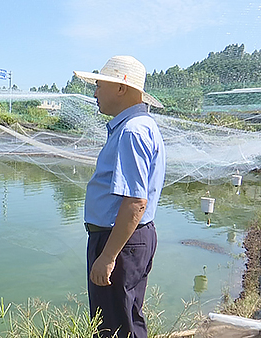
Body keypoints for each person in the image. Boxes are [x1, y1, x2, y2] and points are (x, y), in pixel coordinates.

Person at [74, 56, 166, 338]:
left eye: (100, 86)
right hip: (130, 238)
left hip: (120, 240)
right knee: (126, 319)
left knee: (113, 327)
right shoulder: (140, 126)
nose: (95, 93)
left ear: (121, 88)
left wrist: (108, 256)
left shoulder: (132, 131)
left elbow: (135, 202)